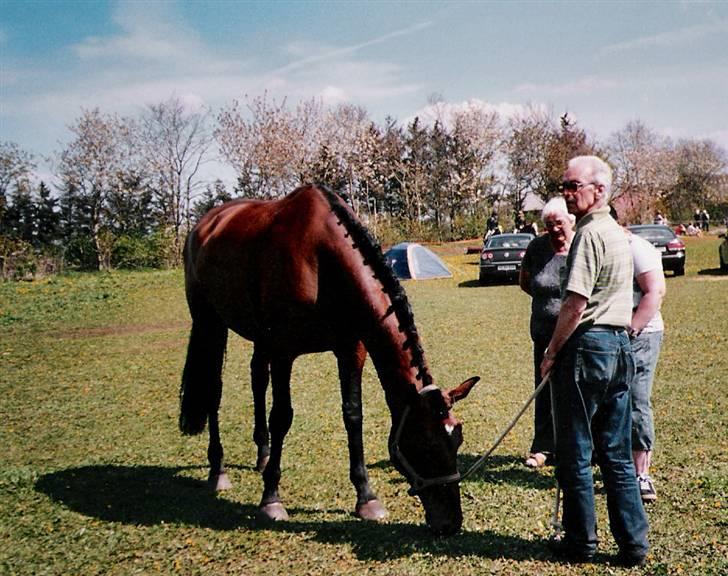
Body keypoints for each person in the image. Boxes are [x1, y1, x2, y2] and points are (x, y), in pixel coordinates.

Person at [540, 156, 649, 566]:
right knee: (617, 453)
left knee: (575, 452)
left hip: (588, 348)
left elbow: (575, 303)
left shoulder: (587, 235)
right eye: (563, 185)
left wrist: (551, 352)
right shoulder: (617, 233)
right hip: (619, 347)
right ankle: (633, 544)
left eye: (573, 186)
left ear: (599, 191)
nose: (566, 193)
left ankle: (581, 543)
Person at [612, 207, 666, 503]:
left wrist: (632, 329)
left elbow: (655, 292)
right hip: (610, 336)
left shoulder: (638, 249)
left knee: (636, 400)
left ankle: (641, 474)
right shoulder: (603, 249)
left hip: (641, 335)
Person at [519, 197, 575, 469]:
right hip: (542, 331)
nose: (554, 229)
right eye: (549, 224)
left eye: (559, 223)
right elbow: (526, 282)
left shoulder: (580, 245)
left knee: (576, 391)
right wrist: (548, 305)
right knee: (544, 390)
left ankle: (579, 450)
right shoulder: (537, 247)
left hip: (576, 332)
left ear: (571, 221)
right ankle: (543, 448)